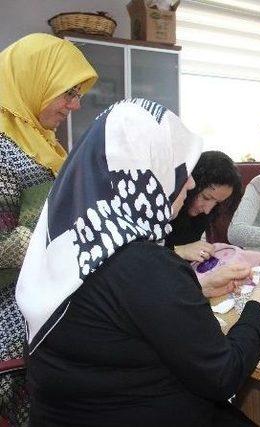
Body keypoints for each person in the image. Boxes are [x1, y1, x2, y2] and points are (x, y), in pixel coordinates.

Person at [16, 99, 260, 427]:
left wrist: (195, 287)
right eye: (180, 170)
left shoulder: (76, 245)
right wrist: (258, 306)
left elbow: (114, 311)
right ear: (146, 170)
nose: (188, 186)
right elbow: (223, 375)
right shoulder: (143, 264)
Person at [0, 33, 97, 425]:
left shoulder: (41, 143)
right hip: (10, 311)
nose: (74, 106)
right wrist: (60, 234)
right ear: (34, 79)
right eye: (67, 93)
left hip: (40, 297)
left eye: (78, 95)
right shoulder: (3, 151)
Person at [165, 150, 242, 262]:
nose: (207, 210)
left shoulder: (205, 214)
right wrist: (179, 251)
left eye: (217, 202)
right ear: (190, 184)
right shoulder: (163, 209)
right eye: (206, 197)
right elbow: (139, 257)